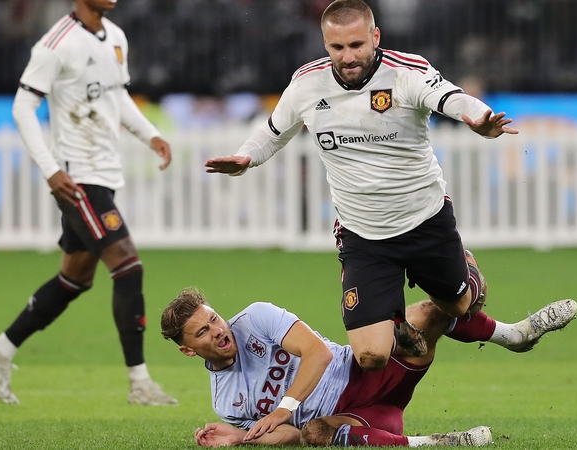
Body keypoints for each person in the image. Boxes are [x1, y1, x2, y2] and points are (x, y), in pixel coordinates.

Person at [204, 0, 519, 372]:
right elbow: (273, 131)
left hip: (423, 219)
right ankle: (395, 320)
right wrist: (246, 158)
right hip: (363, 233)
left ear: (375, 37)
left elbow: (450, 97)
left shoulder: (406, 72)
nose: (348, 56)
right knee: (370, 356)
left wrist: (480, 118)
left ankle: (462, 270)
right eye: (337, 47)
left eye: (356, 45)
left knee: (459, 307)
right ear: (325, 43)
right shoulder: (307, 83)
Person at [0, 0, 176, 406]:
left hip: (103, 174)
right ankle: (140, 384)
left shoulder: (115, 36)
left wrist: (149, 134)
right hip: (77, 180)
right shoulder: (54, 45)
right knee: (128, 266)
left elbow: (115, 98)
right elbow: (23, 107)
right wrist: (50, 168)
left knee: (74, 280)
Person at [161, 288, 577, 447]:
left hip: (365, 366)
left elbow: (318, 353)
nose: (217, 330)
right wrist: (240, 438)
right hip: (354, 416)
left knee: (425, 315)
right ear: (187, 350)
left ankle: (516, 335)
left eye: (213, 318)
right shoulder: (225, 401)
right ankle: (439, 442)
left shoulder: (254, 317)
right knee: (315, 434)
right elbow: (288, 436)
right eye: (202, 332)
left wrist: (282, 406)